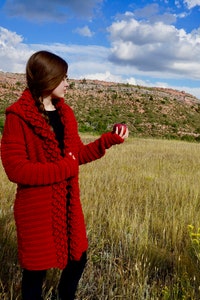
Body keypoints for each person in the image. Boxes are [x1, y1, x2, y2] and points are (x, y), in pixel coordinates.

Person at [0, 50, 129, 300]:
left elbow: (76, 155)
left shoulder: (65, 114)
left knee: (78, 259)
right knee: (35, 274)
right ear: (48, 79)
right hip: (36, 210)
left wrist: (107, 141)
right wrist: (65, 168)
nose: (67, 84)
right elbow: (15, 170)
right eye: (64, 78)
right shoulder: (18, 117)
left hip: (68, 205)